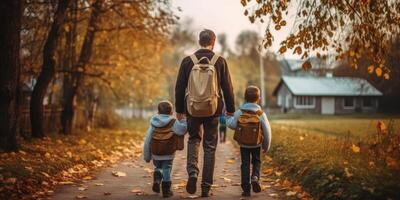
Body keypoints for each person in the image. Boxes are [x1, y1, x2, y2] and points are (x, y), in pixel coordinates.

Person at [175, 29, 235, 197]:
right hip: (213, 109)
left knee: (193, 140)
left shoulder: (188, 61)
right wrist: (230, 109)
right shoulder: (219, 61)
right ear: (213, 42)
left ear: (199, 41)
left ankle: (192, 173)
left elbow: (179, 87)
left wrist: (179, 110)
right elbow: (228, 88)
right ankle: (206, 187)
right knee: (209, 147)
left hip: (192, 109)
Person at [227, 86, 272, 197]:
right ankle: (255, 177)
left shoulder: (240, 112)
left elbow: (232, 125)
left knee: (245, 164)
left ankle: (246, 189)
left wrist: (228, 118)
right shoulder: (260, 113)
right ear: (259, 99)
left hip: (244, 145)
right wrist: (266, 145)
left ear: (245, 98)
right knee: (256, 161)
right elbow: (267, 131)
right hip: (256, 144)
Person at [143, 101, 187, 198]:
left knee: (157, 166)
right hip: (168, 152)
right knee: (166, 168)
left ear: (158, 112)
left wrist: (147, 156)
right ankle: (166, 191)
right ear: (171, 112)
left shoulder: (154, 122)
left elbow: (147, 140)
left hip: (156, 152)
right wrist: (184, 120)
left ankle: (157, 177)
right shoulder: (173, 122)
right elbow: (182, 130)